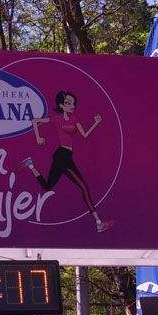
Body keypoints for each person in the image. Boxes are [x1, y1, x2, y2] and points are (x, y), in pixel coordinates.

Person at [20, 90, 113, 232]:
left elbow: (85, 135)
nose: (72, 105)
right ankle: (98, 223)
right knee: (84, 188)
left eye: (73, 103)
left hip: (66, 156)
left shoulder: (75, 119)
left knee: (47, 186)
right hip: (62, 155)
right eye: (68, 103)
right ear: (61, 105)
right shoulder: (56, 119)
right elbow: (35, 121)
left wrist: (95, 123)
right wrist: (38, 137)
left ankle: (30, 165)